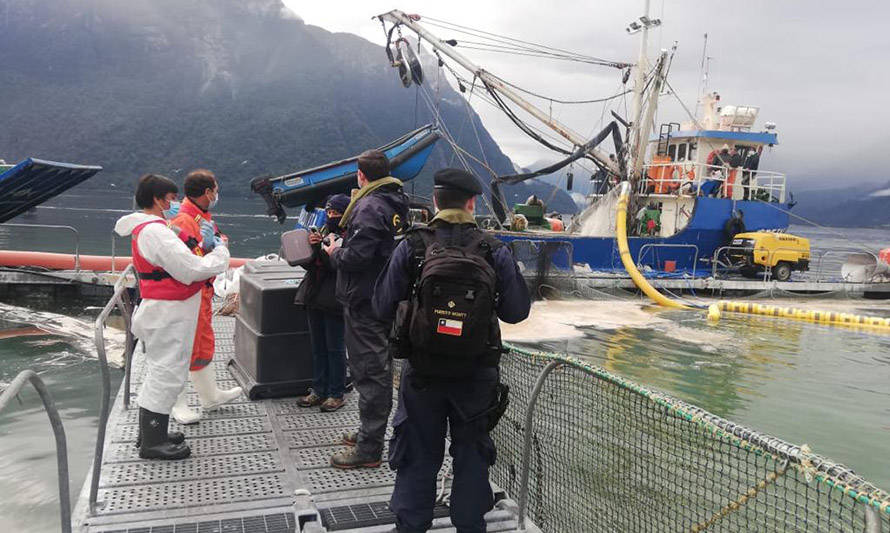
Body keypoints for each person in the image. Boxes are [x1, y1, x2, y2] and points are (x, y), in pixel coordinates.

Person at [372, 168, 531, 533]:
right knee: (472, 456)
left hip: (423, 374)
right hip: (476, 375)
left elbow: (380, 305)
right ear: (472, 203)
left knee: (418, 456)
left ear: (435, 201)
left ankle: (411, 526)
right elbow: (517, 311)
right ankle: (470, 526)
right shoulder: (493, 249)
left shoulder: (412, 246)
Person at [114, 174, 229, 460]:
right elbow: (191, 269)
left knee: (161, 372)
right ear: (158, 199)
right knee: (166, 374)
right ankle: (153, 442)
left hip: (164, 311)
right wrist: (221, 252)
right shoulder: (155, 232)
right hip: (168, 314)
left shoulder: (152, 229)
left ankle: (153, 433)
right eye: (171, 198)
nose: (174, 203)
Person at [322, 149, 409, 469]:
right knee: (378, 369)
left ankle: (369, 448)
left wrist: (334, 251)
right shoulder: (397, 203)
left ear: (361, 175)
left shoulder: (370, 206)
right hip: (384, 297)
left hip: (364, 301)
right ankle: (366, 433)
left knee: (371, 374)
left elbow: (356, 258)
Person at [167, 169, 242, 424]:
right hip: (189, 294)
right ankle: (178, 404)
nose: (217, 194)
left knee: (202, 344)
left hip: (203, 292)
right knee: (183, 347)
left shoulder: (200, 216)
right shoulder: (183, 220)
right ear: (208, 192)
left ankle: (210, 396)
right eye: (216, 190)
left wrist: (216, 243)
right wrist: (212, 248)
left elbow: (211, 243)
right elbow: (185, 262)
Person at [295, 193, 350, 412]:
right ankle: (318, 389)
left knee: (335, 348)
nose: (331, 216)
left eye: (336, 212)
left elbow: (336, 265)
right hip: (315, 296)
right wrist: (309, 249)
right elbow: (311, 266)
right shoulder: (324, 231)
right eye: (328, 211)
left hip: (335, 298)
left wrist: (322, 250)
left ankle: (336, 393)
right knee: (318, 347)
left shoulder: (350, 235)